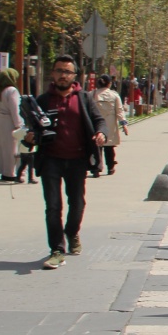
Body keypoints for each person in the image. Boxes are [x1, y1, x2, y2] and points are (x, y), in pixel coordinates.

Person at [28, 55, 107, 270]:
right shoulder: (43, 100)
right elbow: (33, 128)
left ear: (74, 75)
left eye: (67, 72)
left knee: (77, 203)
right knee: (53, 206)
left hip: (77, 160)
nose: (63, 75)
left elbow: (99, 120)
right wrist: (30, 137)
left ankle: (72, 232)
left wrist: (101, 133)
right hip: (50, 159)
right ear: (53, 74)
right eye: (59, 71)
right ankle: (57, 249)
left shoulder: (84, 98)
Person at [0, 68, 25, 181]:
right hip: (9, 121)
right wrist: (19, 125)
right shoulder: (12, 91)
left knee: (2, 147)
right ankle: (11, 172)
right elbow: (15, 109)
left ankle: (4, 170)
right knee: (12, 148)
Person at [94, 74, 127, 176]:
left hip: (96, 125)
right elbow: (119, 111)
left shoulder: (92, 94)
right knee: (109, 148)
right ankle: (110, 167)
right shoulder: (114, 95)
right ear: (109, 84)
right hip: (110, 125)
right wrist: (124, 124)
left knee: (96, 147)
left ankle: (96, 168)